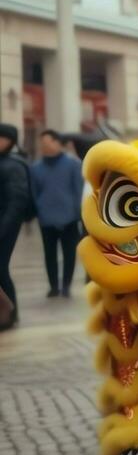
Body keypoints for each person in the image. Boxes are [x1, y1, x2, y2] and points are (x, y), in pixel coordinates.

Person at [30, 129, 84, 298]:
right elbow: (34, 192)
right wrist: (39, 210)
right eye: (42, 144)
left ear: (57, 143)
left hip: (70, 218)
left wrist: (79, 214)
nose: (44, 147)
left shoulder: (73, 164)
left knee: (69, 253)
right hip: (46, 218)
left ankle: (66, 285)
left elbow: (79, 190)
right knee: (49, 254)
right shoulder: (36, 168)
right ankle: (53, 286)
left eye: (47, 142)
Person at [0, 123, 34, 329]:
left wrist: (3, 229)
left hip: (5, 227)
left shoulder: (13, 166)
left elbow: (17, 202)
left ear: (9, 140)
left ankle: (9, 314)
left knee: (1, 270)